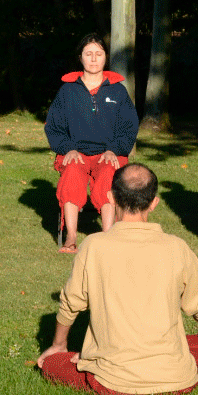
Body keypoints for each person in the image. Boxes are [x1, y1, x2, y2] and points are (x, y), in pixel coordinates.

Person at [39, 163, 198, 395]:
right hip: (175, 379)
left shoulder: (93, 246)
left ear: (111, 198)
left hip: (111, 382)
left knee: (51, 363)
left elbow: (71, 303)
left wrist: (59, 346)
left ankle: (91, 361)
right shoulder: (177, 247)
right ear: (154, 203)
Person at [43, 34, 138, 253]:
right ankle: (71, 236)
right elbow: (54, 126)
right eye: (88, 54)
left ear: (105, 57)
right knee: (72, 174)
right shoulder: (67, 90)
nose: (94, 59)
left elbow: (129, 127)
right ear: (80, 58)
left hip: (108, 153)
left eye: (98, 54)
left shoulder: (118, 90)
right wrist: (68, 148)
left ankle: (108, 236)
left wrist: (114, 150)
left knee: (108, 175)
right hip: (77, 153)